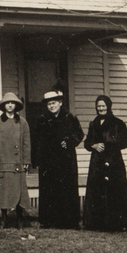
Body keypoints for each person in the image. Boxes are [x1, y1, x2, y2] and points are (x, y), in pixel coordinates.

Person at [34, 88, 83, 228]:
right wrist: (38, 159)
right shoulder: (42, 119)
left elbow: (79, 134)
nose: (51, 106)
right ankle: (49, 220)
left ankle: (70, 221)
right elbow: (37, 140)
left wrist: (68, 142)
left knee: (67, 189)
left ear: (60, 103)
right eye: (49, 104)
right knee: (49, 189)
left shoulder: (69, 117)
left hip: (66, 160)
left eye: (54, 103)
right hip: (49, 161)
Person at [83, 95, 127, 232]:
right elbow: (87, 143)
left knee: (114, 191)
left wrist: (106, 145)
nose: (101, 109)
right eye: (99, 106)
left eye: (103, 106)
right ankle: (95, 223)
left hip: (113, 162)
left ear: (109, 106)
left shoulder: (118, 123)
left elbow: (124, 142)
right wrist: (94, 145)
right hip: (97, 163)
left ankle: (117, 223)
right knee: (97, 191)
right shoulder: (94, 124)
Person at [0, 91, 32, 229]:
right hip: (3, 162)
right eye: (7, 103)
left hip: (17, 163)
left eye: (12, 103)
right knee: (3, 192)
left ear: (16, 105)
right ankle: (4, 218)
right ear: (3, 106)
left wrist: (26, 160)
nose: (9, 105)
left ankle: (20, 218)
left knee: (19, 192)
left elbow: (26, 143)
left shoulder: (22, 122)